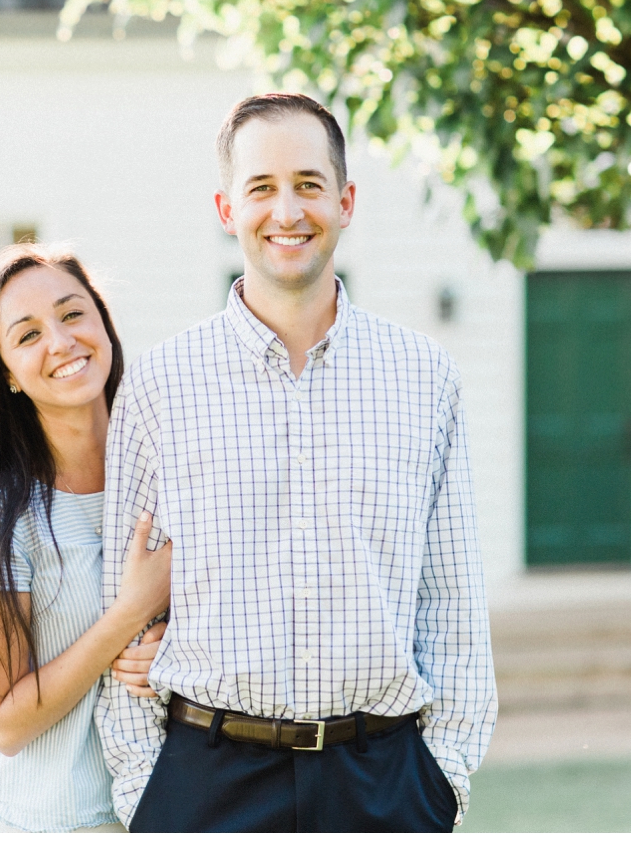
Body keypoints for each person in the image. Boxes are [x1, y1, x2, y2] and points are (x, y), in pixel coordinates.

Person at [97, 92, 497, 832]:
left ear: (345, 202)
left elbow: (453, 600)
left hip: (385, 783)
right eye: (262, 189)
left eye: (309, 185)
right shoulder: (161, 386)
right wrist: (146, 791)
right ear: (226, 208)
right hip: (205, 784)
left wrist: (442, 780)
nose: (287, 211)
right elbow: (117, 600)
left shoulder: (423, 377)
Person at [0, 243, 172, 833]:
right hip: (47, 827)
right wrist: (131, 614)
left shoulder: (172, 475)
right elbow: (6, 723)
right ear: (7, 373)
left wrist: (174, 645)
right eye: (28, 334)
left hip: (169, 815)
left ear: (103, 326)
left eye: (71, 315)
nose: (61, 343)